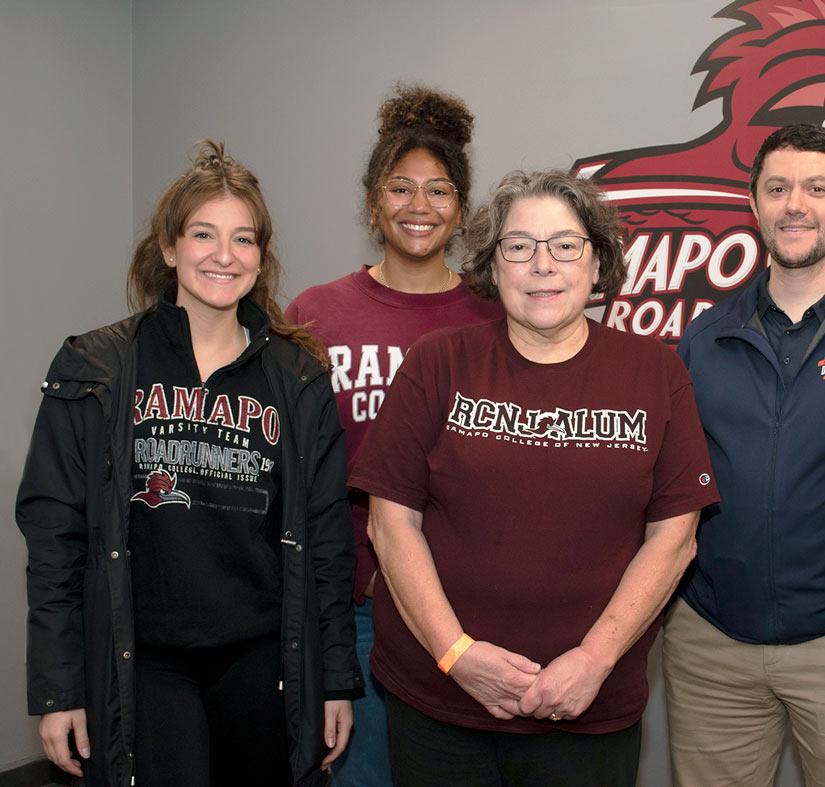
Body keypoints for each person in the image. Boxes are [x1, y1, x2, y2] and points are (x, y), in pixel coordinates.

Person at [348, 170, 720, 786]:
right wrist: (456, 655)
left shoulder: (654, 371)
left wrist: (594, 660)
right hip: (438, 704)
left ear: (598, 264)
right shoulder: (437, 362)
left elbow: (674, 539)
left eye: (565, 245)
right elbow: (391, 527)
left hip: (587, 705)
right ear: (493, 268)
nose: (541, 265)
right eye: (518, 246)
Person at [16, 141, 362, 787]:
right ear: (169, 247)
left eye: (244, 238)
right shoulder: (96, 367)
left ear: (262, 257)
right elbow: (55, 542)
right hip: (142, 659)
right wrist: (58, 687)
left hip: (264, 657)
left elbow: (326, 541)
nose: (224, 255)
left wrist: (334, 679)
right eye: (204, 233)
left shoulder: (297, 378)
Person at [666, 124, 825, 786]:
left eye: (817, 188)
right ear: (755, 203)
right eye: (777, 188)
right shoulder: (704, 338)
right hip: (712, 642)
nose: (795, 204)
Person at [285, 84, 503, 785]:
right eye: (400, 188)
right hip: (350, 610)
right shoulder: (315, 314)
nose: (419, 206)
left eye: (438, 191)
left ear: (462, 209)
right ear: (373, 200)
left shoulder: (492, 317)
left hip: (464, 610)